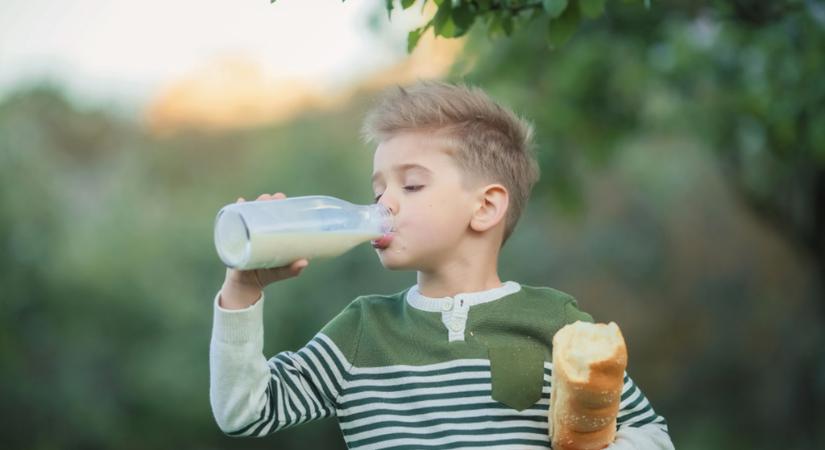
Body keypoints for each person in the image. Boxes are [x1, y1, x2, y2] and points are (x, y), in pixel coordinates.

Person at [210, 82, 674, 449]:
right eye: (377, 191)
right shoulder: (361, 331)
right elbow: (246, 412)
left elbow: (649, 431)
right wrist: (242, 291)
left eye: (411, 186)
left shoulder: (557, 325)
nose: (383, 204)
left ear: (486, 208)